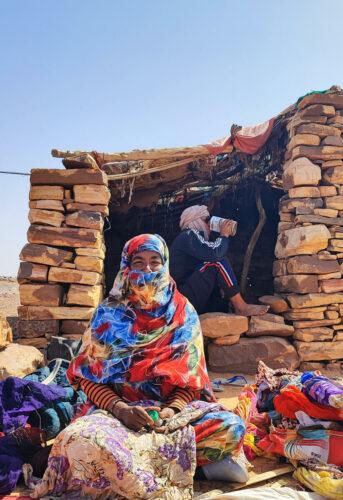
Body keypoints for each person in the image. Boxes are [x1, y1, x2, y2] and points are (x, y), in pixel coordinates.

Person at [27, 234, 248, 499]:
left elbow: (191, 380)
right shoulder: (108, 314)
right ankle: (188, 467)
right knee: (82, 440)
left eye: (154, 262)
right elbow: (87, 378)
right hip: (114, 414)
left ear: (165, 265)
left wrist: (169, 412)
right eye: (138, 262)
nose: (147, 270)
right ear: (126, 266)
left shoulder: (183, 312)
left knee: (230, 426)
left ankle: (127, 467)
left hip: (170, 417)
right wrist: (121, 410)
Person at [170, 205, 269, 316]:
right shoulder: (188, 235)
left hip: (188, 298)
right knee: (216, 263)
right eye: (207, 220)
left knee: (218, 275)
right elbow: (215, 254)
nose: (209, 225)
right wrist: (224, 235)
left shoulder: (193, 240)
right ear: (195, 220)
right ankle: (241, 307)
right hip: (182, 299)